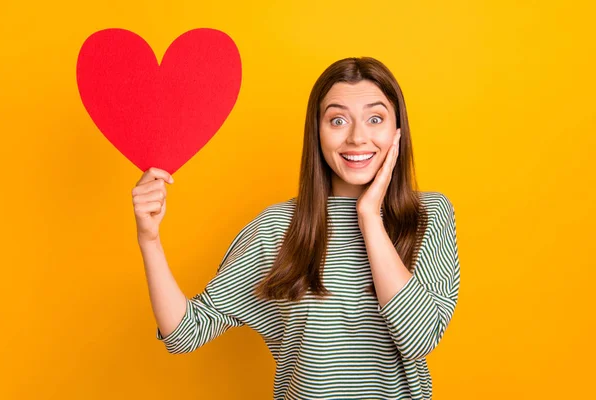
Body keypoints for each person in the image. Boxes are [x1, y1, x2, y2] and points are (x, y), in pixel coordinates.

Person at [132, 56, 461, 400]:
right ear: (317, 132)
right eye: (337, 121)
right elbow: (184, 332)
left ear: (398, 131)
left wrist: (369, 218)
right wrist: (149, 239)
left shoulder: (429, 214)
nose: (357, 137)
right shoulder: (277, 228)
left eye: (374, 118)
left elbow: (419, 339)